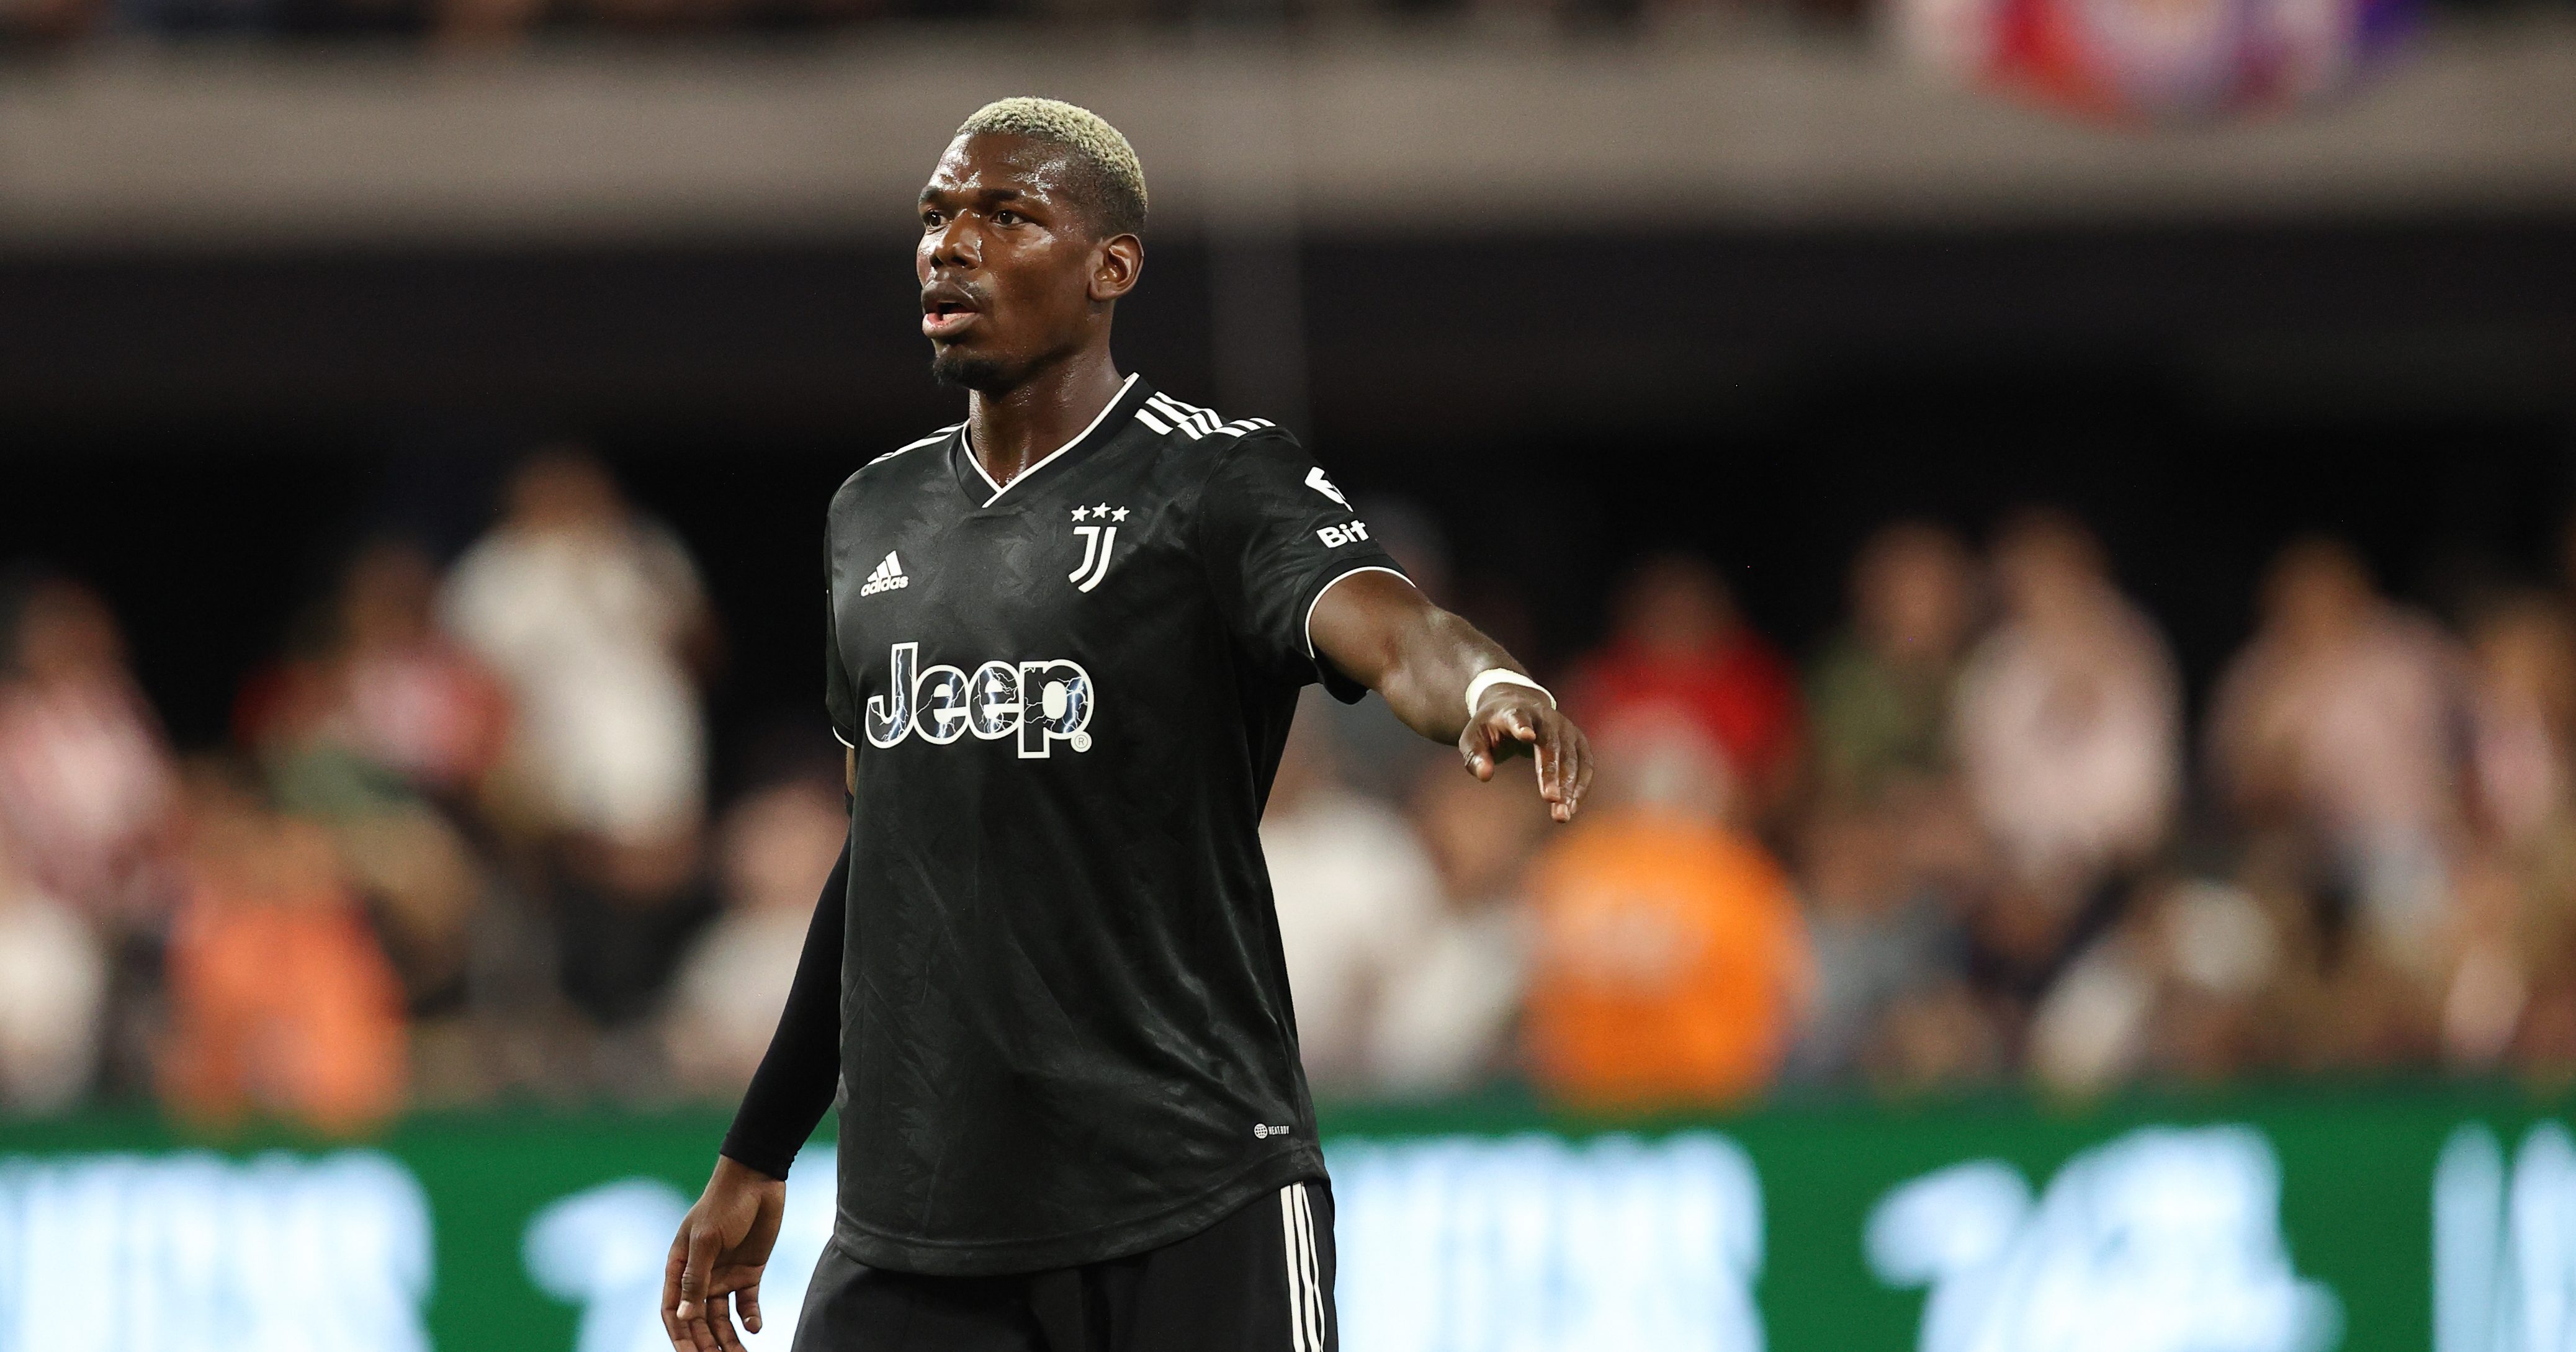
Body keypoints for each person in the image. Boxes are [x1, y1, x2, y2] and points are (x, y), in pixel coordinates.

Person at [660, 98, 1592, 1352]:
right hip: (919, 1227)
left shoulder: (1212, 480)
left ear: (1112, 266)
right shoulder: (870, 514)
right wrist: (759, 1146)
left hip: (1189, 1192)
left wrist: (1481, 688)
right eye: (936, 218)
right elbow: (884, 853)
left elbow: (1385, 620)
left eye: (1006, 215)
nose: (951, 246)